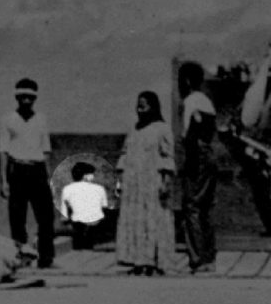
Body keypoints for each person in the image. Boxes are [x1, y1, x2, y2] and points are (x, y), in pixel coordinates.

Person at [116, 91, 178, 276]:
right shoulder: (134, 129)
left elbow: (168, 157)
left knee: (153, 219)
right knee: (136, 220)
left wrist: (166, 182)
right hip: (133, 185)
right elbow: (125, 155)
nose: (140, 108)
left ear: (154, 106)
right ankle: (138, 260)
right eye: (138, 104)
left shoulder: (162, 129)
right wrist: (120, 181)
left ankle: (153, 260)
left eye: (144, 105)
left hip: (152, 183)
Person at [0, 78, 55, 268]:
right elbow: (3, 152)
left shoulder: (41, 119)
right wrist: (3, 181)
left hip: (38, 170)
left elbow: (46, 151)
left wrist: (48, 177)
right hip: (18, 170)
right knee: (17, 218)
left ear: (35, 98)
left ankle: (46, 258)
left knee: (46, 217)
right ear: (17, 96)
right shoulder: (8, 119)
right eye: (23, 96)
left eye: (30, 97)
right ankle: (21, 258)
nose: (26, 101)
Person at [178, 61, 218, 273]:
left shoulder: (190, 101)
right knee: (206, 208)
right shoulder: (207, 102)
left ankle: (197, 258)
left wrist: (185, 164)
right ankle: (210, 257)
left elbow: (187, 135)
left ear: (185, 81)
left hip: (196, 154)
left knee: (191, 206)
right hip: (210, 154)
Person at [60, 162, 108, 250]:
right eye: (92, 174)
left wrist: (65, 221)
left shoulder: (67, 189)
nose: (93, 176)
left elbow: (64, 209)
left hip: (77, 223)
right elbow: (104, 206)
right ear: (85, 176)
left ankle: (79, 245)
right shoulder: (99, 188)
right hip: (97, 222)